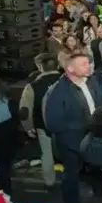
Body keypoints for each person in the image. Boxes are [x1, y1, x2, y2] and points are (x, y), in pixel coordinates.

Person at [43, 53, 102, 203]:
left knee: (97, 168)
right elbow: (53, 123)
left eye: (88, 63)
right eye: (84, 64)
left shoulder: (91, 81)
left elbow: (100, 103)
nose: (89, 66)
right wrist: (82, 127)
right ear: (70, 68)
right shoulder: (58, 91)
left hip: (94, 137)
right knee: (71, 175)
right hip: (72, 143)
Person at [18, 53, 61, 188]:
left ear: (41, 68)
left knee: (47, 154)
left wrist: (28, 127)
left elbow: (25, 110)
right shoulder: (68, 81)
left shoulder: (33, 86)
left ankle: (49, 183)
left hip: (43, 125)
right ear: (58, 66)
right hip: (68, 126)